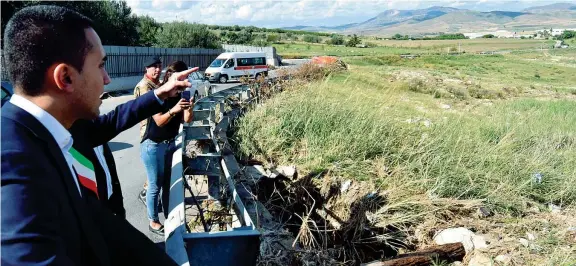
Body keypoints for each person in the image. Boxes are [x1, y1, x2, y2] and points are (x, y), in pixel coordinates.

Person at [1, 5, 196, 265]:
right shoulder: (12, 160)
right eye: (101, 65)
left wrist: (161, 93)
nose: (107, 79)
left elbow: (95, 221)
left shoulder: (52, 129)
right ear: (66, 77)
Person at [138, 60, 194, 235]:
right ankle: (153, 221)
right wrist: (174, 110)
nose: (181, 82)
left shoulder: (180, 95)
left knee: (167, 184)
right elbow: (159, 121)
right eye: (178, 77)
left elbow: (187, 120)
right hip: (152, 145)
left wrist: (189, 108)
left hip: (170, 144)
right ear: (169, 77)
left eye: (184, 78)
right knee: (155, 185)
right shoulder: (158, 95)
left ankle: (170, 217)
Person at [134, 56, 162, 205]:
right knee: (154, 171)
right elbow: (152, 111)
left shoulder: (156, 84)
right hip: (149, 132)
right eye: (154, 67)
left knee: (155, 169)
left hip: (157, 131)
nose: (157, 69)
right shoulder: (145, 86)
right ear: (146, 68)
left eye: (159, 66)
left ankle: (146, 192)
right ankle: (146, 196)